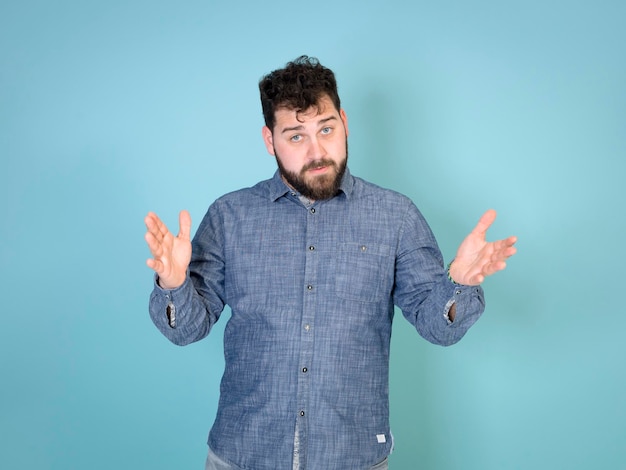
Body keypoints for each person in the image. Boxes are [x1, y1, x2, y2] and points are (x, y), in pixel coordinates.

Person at [144, 55, 517, 470]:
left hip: (353, 456)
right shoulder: (230, 217)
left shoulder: (396, 216)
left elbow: (437, 326)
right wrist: (173, 283)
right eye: (296, 137)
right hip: (243, 454)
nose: (318, 150)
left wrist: (458, 284)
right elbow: (189, 330)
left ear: (344, 121)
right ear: (270, 141)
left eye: (326, 129)